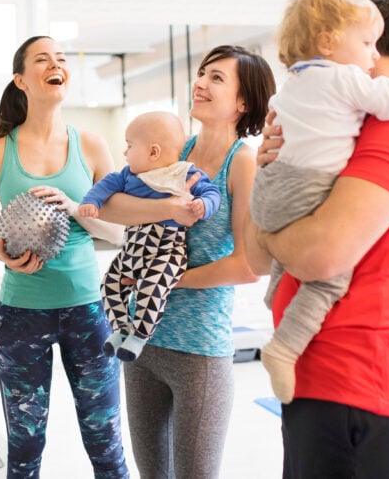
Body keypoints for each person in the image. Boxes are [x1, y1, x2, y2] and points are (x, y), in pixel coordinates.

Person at [245, 0, 389, 479]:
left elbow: (320, 257)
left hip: (358, 381)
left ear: (373, 50)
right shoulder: (327, 124)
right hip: (309, 375)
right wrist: (267, 170)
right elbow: (254, 260)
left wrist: (271, 234)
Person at [98, 45, 275, 479]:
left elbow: (248, 265)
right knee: (151, 474)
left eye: (217, 77)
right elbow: (113, 206)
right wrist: (163, 212)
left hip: (198, 352)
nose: (201, 82)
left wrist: (164, 281)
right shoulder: (178, 151)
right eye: (201, 74)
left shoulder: (242, 162)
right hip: (143, 343)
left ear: (243, 102)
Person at [0, 35, 130, 478]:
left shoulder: (91, 146)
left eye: (61, 58)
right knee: (25, 446)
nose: (56, 64)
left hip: (88, 312)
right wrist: (2, 253)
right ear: (21, 79)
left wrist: (74, 207)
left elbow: (118, 232)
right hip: (21, 315)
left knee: (105, 441)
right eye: (42, 59)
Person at [251, 0, 389, 404]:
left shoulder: (292, 83)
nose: (373, 56)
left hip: (271, 185)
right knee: (329, 280)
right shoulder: (344, 78)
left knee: (284, 236)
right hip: (305, 185)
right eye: (366, 44)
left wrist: (270, 239)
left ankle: (275, 291)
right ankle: (284, 348)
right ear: (328, 42)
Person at [78, 110, 220, 362]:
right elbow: (104, 187)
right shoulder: (128, 175)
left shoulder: (184, 174)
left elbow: (211, 193)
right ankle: (121, 330)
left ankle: (140, 335)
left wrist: (203, 205)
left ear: (153, 152)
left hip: (166, 250)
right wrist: (92, 202)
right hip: (133, 247)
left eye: (129, 146)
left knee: (150, 287)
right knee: (110, 283)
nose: (124, 152)